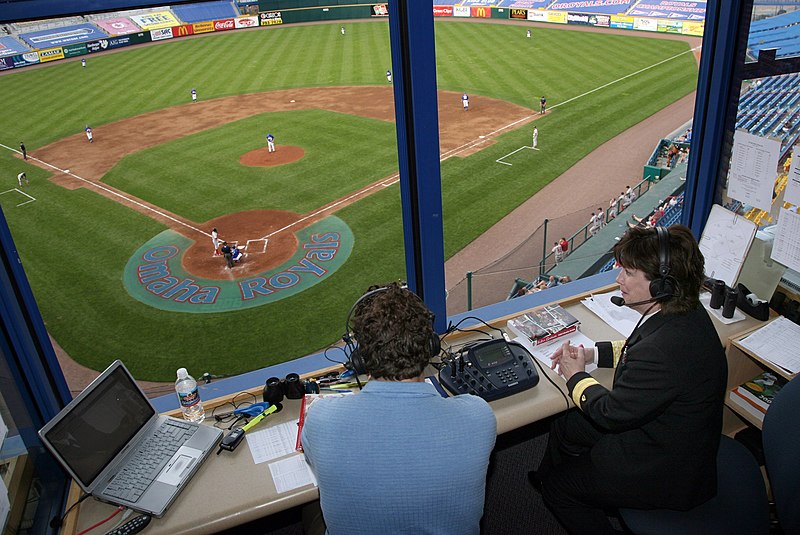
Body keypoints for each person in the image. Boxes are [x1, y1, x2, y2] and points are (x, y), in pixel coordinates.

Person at [536, 225, 727, 535]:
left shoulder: (664, 350)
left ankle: (557, 485)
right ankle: (552, 475)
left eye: (628, 272)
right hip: (661, 429)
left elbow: (610, 414)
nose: (618, 279)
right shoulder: (682, 311)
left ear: (661, 285)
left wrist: (576, 377)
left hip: (662, 467)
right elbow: (635, 350)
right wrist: (592, 354)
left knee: (559, 491)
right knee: (565, 425)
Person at [301, 282, 496, 535]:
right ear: (429, 347)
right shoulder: (479, 416)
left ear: (361, 358)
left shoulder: (321, 419)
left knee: (309, 507)